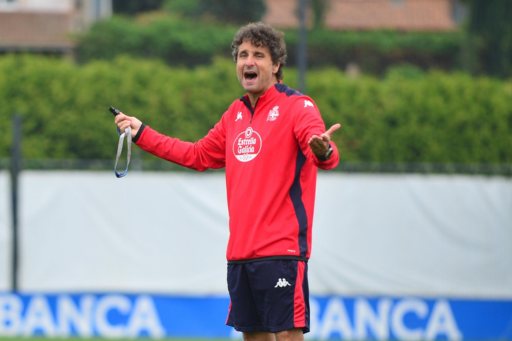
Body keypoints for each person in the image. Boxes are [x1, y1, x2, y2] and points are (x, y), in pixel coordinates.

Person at [115, 22, 340, 341]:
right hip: (240, 254)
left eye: (259, 55)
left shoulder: (297, 106)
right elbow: (195, 155)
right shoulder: (233, 114)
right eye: (243, 54)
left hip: (282, 251)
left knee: (288, 335)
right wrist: (142, 134)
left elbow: (320, 148)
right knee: (252, 336)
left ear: (276, 65)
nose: (248, 61)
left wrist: (325, 150)